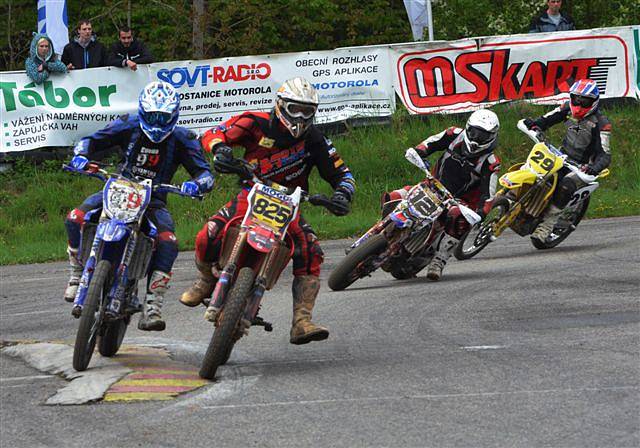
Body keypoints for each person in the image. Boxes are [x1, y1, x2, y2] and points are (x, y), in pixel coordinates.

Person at [181, 77, 356, 345]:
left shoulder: (315, 139)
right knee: (210, 232)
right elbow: (215, 133)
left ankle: (301, 319)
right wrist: (220, 149)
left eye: (307, 111)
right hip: (251, 194)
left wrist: (342, 194)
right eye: (295, 109)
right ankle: (205, 279)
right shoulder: (256, 122)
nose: (300, 117)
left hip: (290, 204)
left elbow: (342, 173)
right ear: (280, 106)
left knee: (309, 250)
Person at [64, 81, 214, 331]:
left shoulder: (183, 138)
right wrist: (81, 156)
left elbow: (204, 173)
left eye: (162, 117)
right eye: (152, 115)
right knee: (76, 217)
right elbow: (91, 140)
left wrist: (196, 185)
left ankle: (153, 305)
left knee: (168, 242)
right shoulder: (128, 123)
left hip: (155, 197)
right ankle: (76, 273)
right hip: (120, 186)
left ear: (174, 114)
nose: (156, 122)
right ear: (143, 111)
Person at [383, 109, 501, 281]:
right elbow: (430, 143)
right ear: (468, 128)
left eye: (482, 136)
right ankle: (380, 232)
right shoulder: (453, 134)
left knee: (458, 216)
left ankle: (440, 259)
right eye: (474, 133)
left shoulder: (491, 163)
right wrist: (419, 152)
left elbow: (488, 194)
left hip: (460, 201)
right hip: (431, 186)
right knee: (394, 196)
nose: (476, 139)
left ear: (492, 137)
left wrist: (481, 213)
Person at [524, 79, 611, 242]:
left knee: (565, 186)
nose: (578, 103)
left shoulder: (602, 124)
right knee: (535, 172)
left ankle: (546, 226)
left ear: (593, 102)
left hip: (582, 167)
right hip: (561, 156)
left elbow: (605, 154)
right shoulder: (566, 108)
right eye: (576, 98)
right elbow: (548, 118)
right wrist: (535, 124)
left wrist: (594, 168)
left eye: (584, 101)